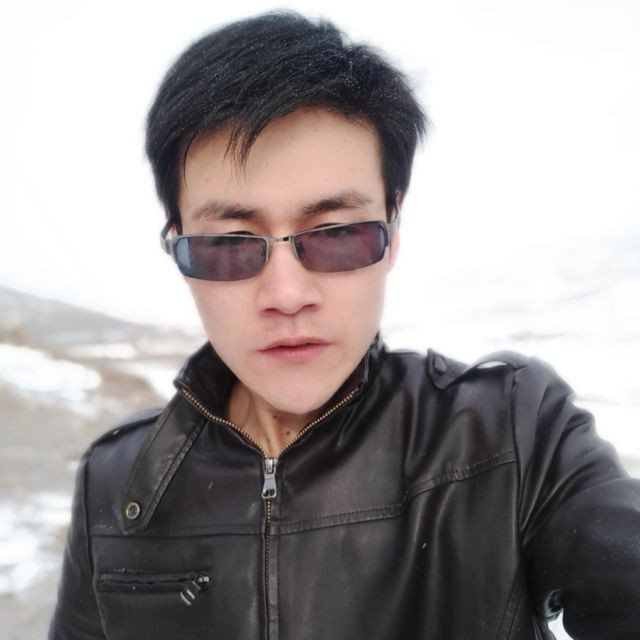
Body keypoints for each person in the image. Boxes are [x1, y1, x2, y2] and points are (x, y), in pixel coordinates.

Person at [49, 12, 639, 640]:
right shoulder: (116, 482)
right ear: (177, 247)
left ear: (392, 230)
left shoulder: (512, 431)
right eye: (229, 245)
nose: (287, 295)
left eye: (336, 235)